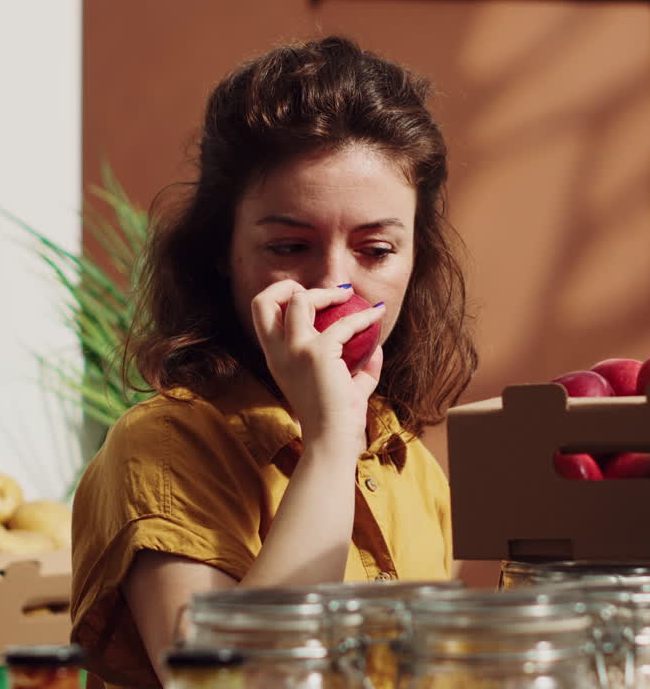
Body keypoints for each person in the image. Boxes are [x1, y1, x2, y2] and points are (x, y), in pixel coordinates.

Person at [68, 36, 479, 688]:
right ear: (220, 254)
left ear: (416, 262)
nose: (336, 285)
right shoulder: (164, 447)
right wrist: (329, 439)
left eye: (376, 251)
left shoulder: (407, 461)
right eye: (290, 245)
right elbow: (242, 682)